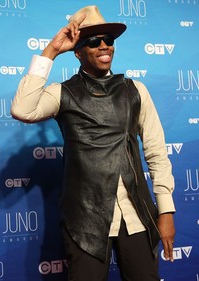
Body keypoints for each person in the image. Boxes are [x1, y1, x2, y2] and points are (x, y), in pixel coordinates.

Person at [11, 5, 176, 281]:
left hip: (136, 215)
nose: (104, 46)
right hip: (84, 220)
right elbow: (23, 109)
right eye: (93, 41)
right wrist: (51, 50)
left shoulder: (136, 91)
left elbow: (157, 154)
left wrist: (166, 210)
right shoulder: (63, 93)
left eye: (108, 40)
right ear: (77, 51)